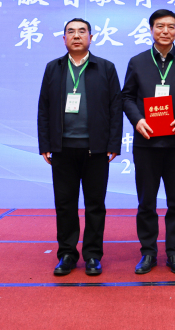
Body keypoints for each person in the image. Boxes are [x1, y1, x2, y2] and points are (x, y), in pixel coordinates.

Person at [122, 9, 175, 275]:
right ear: (151, 30)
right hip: (146, 143)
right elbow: (127, 97)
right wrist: (137, 120)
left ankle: (174, 253)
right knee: (146, 202)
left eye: (171, 26)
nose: (165, 31)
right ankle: (148, 253)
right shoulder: (137, 62)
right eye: (160, 26)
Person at [37, 18, 123, 276]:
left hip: (96, 149)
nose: (76, 36)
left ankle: (93, 255)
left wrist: (113, 143)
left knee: (95, 205)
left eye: (82, 31)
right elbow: (44, 108)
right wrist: (45, 143)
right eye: (71, 32)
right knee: (65, 204)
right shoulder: (53, 68)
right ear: (63, 38)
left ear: (91, 37)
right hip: (62, 148)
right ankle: (66, 254)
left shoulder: (105, 67)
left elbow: (115, 108)